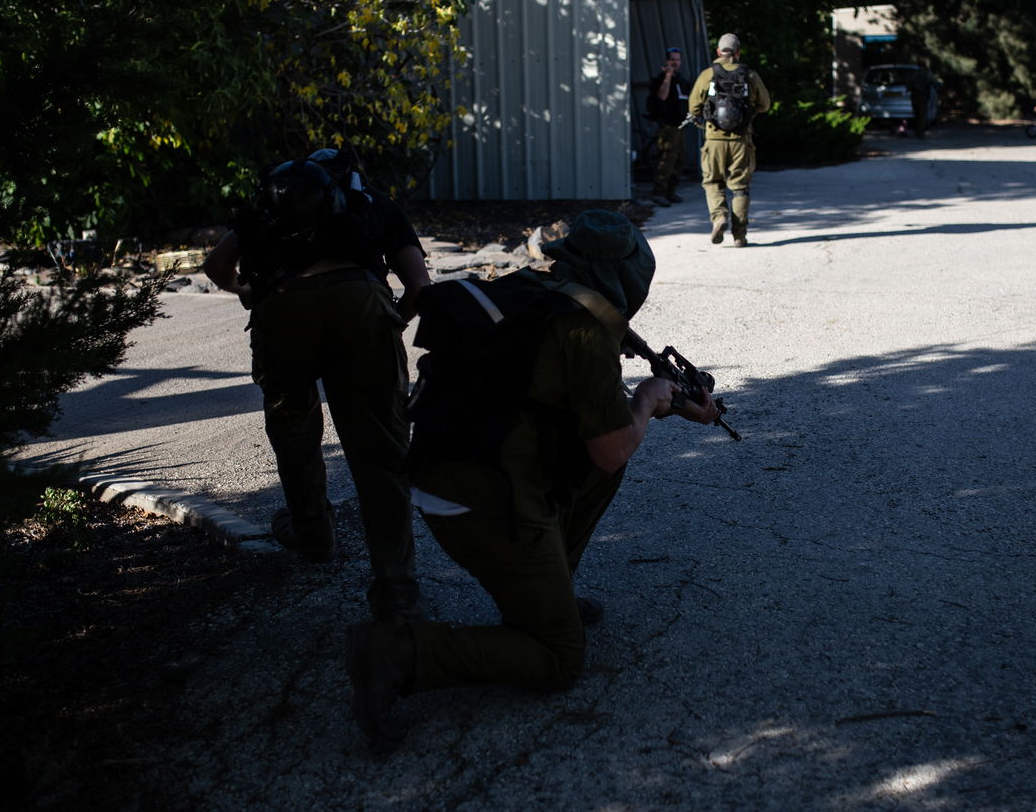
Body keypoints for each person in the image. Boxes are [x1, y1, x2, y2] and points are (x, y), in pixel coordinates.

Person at [344, 210, 719, 750]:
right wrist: (647, 399)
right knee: (558, 659)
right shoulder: (585, 334)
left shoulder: (532, 291)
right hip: (484, 502)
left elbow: (565, 409)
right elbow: (612, 449)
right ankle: (396, 653)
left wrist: (665, 404)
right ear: (629, 279)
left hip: (440, 469)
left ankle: (548, 592)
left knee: (596, 460)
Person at [203, 153, 431, 624]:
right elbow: (419, 285)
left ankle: (313, 533)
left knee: (293, 427)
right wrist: (391, 325)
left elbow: (217, 264)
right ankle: (396, 588)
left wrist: (245, 292)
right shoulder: (376, 204)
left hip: (283, 306)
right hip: (360, 300)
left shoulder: (269, 206)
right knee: (381, 451)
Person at [688, 33, 771, 248]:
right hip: (741, 140)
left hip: (713, 138)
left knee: (712, 181)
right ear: (738, 52)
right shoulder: (749, 75)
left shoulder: (708, 74)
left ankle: (718, 217)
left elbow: (693, 107)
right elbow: (765, 104)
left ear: (718, 52)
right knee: (740, 187)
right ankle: (739, 235)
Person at [647, 47, 692, 206]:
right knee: (667, 158)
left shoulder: (681, 80)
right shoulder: (662, 79)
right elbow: (661, 97)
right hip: (667, 125)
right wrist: (668, 76)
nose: (675, 63)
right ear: (667, 61)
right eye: (672, 59)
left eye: (677, 60)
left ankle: (670, 191)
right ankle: (658, 192)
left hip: (680, 125)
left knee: (679, 159)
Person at [907, 64, 934, 139]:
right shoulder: (927, 74)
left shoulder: (913, 74)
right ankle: (920, 132)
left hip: (914, 97)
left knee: (917, 114)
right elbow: (933, 83)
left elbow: (908, 86)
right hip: (923, 97)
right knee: (922, 116)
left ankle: (917, 131)